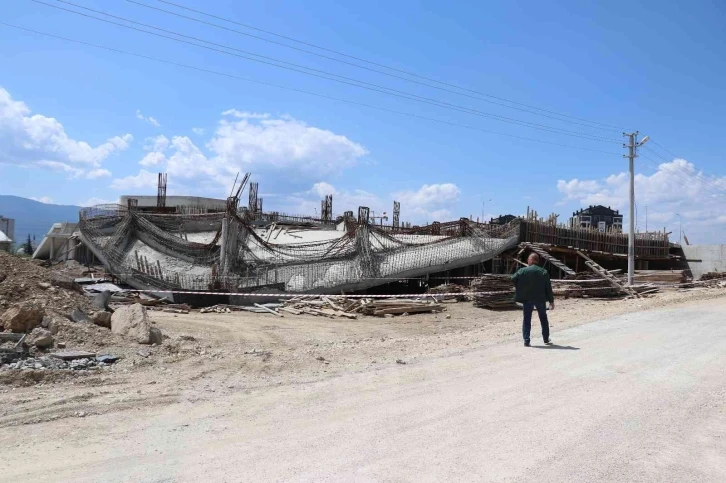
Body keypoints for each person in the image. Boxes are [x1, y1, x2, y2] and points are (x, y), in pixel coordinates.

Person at [511, 253, 554, 347]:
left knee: (526, 319)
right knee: (543, 318)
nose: (527, 261)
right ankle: (546, 338)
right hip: (540, 299)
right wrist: (551, 301)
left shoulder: (523, 270)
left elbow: (513, 278)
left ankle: (526, 340)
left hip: (527, 298)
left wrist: (520, 288)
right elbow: (548, 288)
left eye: (528, 259)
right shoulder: (543, 272)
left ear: (531, 260)